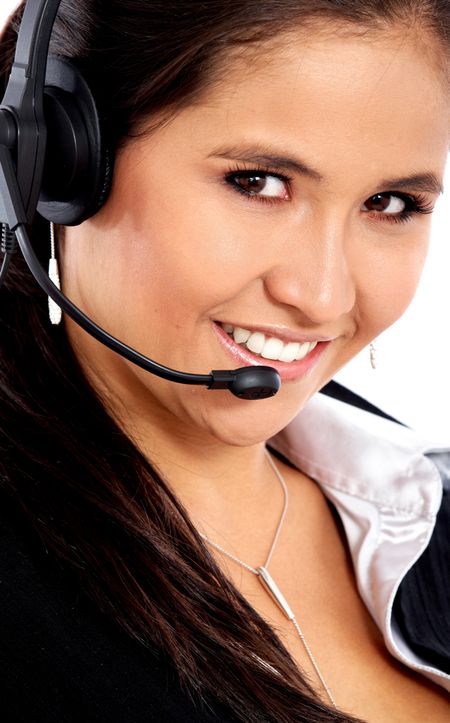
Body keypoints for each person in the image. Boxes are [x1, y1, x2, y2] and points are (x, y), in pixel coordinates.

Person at [0, 1, 449, 720]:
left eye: (390, 203)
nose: (321, 294)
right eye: (258, 183)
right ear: (55, 160)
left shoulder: (420, 499)